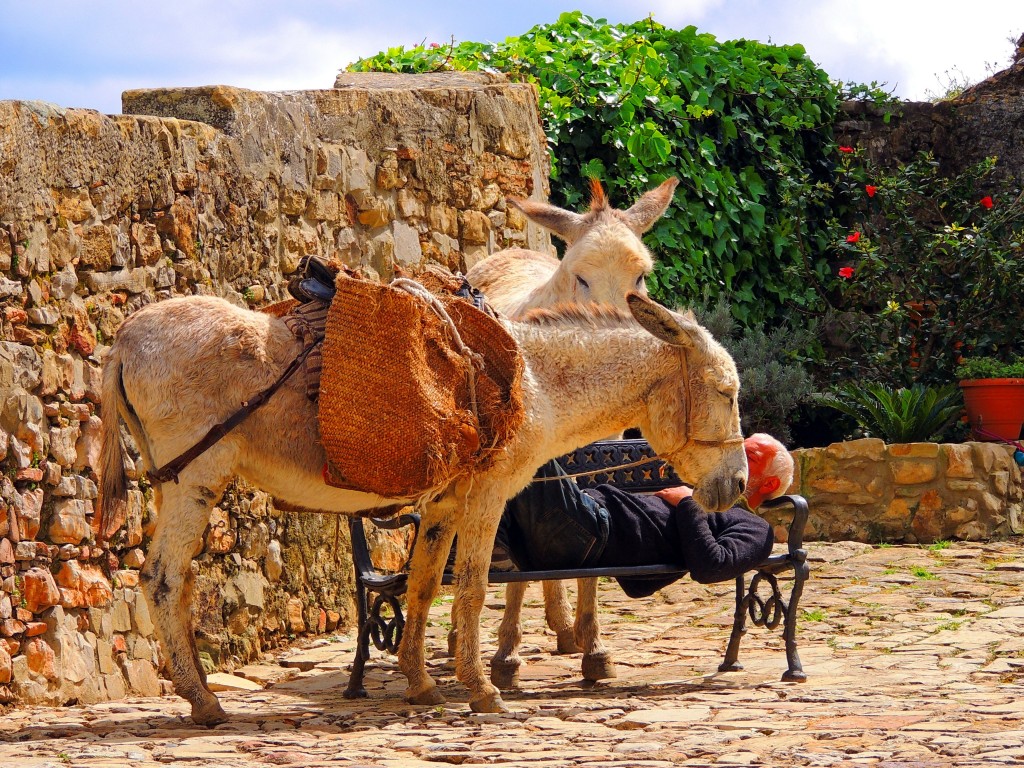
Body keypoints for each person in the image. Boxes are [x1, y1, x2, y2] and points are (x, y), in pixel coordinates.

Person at [494, 433, 794, 598]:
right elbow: (639, 586)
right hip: (573, 524)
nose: (732, 458)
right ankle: (492, 546)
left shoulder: (755, 527)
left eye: (748, 457)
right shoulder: (704, 495)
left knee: (523, 438)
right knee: (498, 454)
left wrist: (688, 503)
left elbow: (712, 567)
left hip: (590, 530)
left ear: (769, 484)